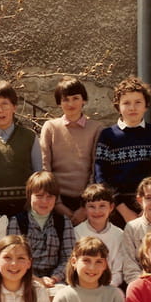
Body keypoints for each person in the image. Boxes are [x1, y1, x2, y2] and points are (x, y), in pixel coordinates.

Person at [95, 76, 151, 226]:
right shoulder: (108, 136)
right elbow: (101, 176)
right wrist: (123, 209)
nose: (132, 108)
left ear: (146, 105)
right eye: (126, 103)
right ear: (118, 106)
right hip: (117, 208)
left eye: (138, 102)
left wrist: (148, 207)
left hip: (150, 207)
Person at [40, 76, 103, 225]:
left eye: (75, 98)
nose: (71, 104)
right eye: (65, 100)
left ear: (84, 100)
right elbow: (45, 167)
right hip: (56, 200)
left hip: (87, 200)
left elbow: (96, 168)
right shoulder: (50, 128)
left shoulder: (96, 128)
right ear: (59, 103)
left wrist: (86, 205)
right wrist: (57, 203)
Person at [0, 79, 41, 217]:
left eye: (5, 104)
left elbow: (38, 174)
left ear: (14, 107)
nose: (0, 110)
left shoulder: (29, 137)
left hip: (24, 209)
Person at [6, 171, 74, 292]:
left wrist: (54, 278)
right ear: (29, 196)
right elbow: (13, 258)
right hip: (24, 277)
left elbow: (69, 257)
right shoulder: (18, 222)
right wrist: (36, 279)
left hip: (55, 280)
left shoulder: (63, 222)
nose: (44, 201)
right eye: (39, 196)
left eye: (49, 196)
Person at [73, 183, 124, 288]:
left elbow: (118, 271)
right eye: (92, 206)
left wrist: (106, 288)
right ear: (85, 208)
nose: (97, 211)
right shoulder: (76, 232)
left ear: (111, 207)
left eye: (102, 206)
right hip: (82, 285)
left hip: (109, 287)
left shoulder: (119, 235)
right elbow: (73, 266)